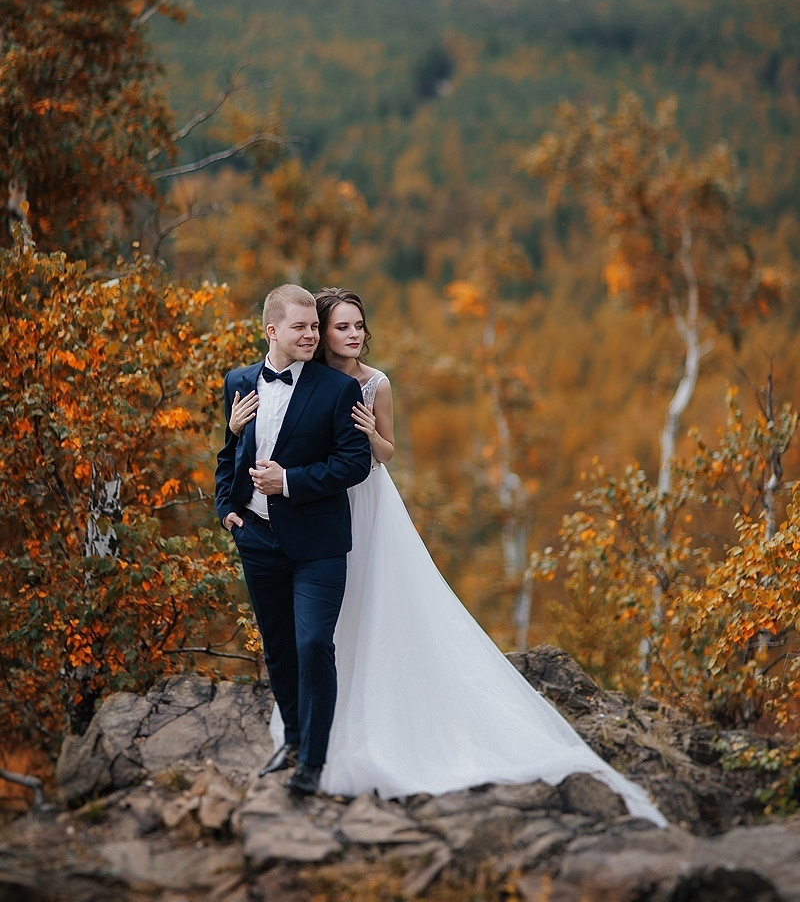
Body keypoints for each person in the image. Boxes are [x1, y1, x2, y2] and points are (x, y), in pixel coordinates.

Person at [263, 286, 666, 826]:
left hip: (365, 499)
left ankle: (379, 718)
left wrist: (366, 436)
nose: (352, 334)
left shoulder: (374, 383)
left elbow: (385, 451)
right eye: (342, 326)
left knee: (373, 598)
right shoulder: (304, 378)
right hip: (318, 501)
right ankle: (317, 728)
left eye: (358, 325)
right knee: (325, 620)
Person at [214, 283, 372, 797]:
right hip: (257, 539)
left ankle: (315, 763)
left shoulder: (337, 390)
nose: (312, 335)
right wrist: (226, 509)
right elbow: (228, 455)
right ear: (272, 331)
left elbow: (354, 463)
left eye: (313, 326)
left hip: (319, 543)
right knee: (280, 649)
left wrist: (291, 482)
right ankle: (295, 742)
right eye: (301, 327)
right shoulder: (238, 382)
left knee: (312, 644)